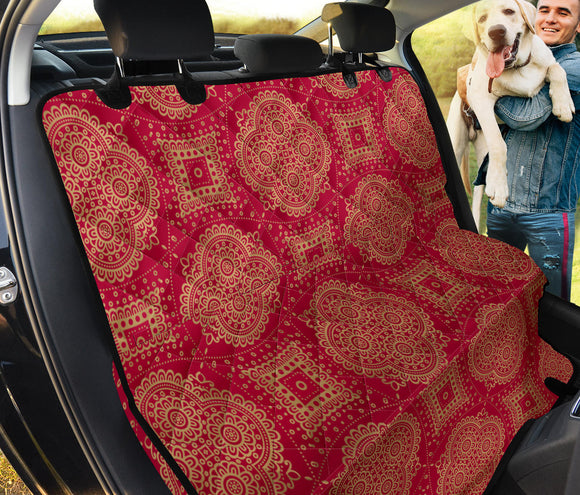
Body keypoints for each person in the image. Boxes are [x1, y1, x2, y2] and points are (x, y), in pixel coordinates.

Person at [485, 0, 580, 301]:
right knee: (497, 300)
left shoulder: (574, 68)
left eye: (563, 13)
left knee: (550, 309)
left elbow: (528, 117)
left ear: (579, 25)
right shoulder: (513, 58)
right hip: (500, 205)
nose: (550, 18)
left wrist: (482, 95)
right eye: (544, 10)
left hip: (547, 213)